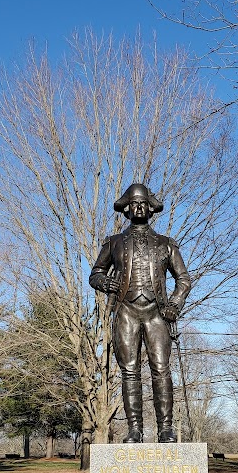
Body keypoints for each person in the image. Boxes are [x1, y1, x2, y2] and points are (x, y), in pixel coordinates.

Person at [89, 183, 191, 443]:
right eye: (133, 204)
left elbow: (183, 280)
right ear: (126, 209)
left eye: (143, 204)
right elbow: (96, 274)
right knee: (130, 371)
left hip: (157, 313)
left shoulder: (166, 244)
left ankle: (165, 429)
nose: (138, 208)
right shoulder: (114, 243)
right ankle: (135, 429)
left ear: (150, 209)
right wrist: (105, 283)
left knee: (161, 369)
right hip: (126, 311)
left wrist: (174, 305)